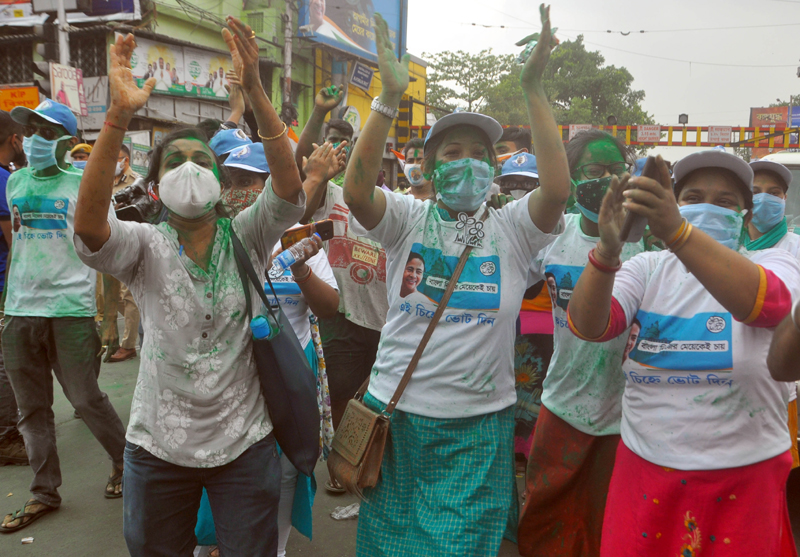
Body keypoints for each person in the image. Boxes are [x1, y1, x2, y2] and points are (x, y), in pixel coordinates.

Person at [341, 10, 569, 556]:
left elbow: (558, 190)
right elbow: (355, 191)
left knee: (462, 546)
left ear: (495, 167)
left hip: (478, 425)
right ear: (429, 168)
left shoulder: (512, 229)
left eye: (478, 155)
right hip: (396, 418)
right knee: (393, 547)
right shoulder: (407, 219)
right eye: (452, 154)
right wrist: (387, 99)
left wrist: (533, 87)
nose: (467, 164)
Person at [72, 21, 305, 555]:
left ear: (221, 183)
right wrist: (117, 116)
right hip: (157, 445)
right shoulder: (143, 245)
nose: (190, 168)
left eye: (202, 159)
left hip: (245, 442)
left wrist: (256, 93)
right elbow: (89, 230)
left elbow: (289, 190)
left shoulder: (245, 233)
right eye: (174, 161)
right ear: (154, 187)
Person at [567, 149, 800, 556]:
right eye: (692, 198)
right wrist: (606, 253)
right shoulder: (648, 268)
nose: (707, 208)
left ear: (745, 220)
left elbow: (769, 305)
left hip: (744, 481)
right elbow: (591, 326)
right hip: (645, 472)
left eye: (725, 201)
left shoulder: (775, 261)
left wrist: (677, 231)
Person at [193, 141, 339, 557]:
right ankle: (212, 542)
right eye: (233, 181)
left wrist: (300, 266)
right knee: (222, 461)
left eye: (251, 182)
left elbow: (329, 308)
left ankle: (273, 546)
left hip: (289, 372)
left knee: (287, 466)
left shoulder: (300, 239)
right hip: (231, 373)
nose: (239, 190)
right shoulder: (213, 239)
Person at [0, 100, 127, 534]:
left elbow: (108, 253)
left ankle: (125, 462)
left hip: (71, 312)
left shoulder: (86, 184)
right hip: (20, 311)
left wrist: (108, 319)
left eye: (48, 132)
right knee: (31, 410)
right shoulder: (14, 182)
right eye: (32, 130)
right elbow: (18, 243)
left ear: (70, 143)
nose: (35, 139)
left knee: (86, 399)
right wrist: (6, 304)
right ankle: (43, 493)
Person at [517, 129, 643, 557]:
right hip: (561, 404)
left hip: (627, 419)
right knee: (544, 517)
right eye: (594, 170)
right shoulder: (551, 237)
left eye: (616, 169)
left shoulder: (650, 244)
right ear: (571, 181)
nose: (607, 179)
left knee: (607, 525)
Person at [296, 85, 387, 497]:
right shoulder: (325, 195)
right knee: (339, 399)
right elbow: (300, 174)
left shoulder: (390, 204)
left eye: (356, 149)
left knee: (380, 403)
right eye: (340, 148)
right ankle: (341, 463)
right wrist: (317, 112)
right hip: (342, 318)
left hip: (387, 322)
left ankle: (374, 467)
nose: (347, 154)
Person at [742, 158, 800, 467]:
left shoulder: (796, 249)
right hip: (728, 389)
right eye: (755, 191)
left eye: (774, 192)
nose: (764, 198)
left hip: (780, 391)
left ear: (784, 199)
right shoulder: (726, 247)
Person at [100, 144, 143, 363]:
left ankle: (128, 345)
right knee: (112, 294)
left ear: (125, 160)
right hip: (107, 241)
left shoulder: (136, 182)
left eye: (115, 159)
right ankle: (131, 330)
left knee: (128, 294)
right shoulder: (104, 180)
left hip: (128, 240)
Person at [0, 111, 26, 467]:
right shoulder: (5, 181)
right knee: (5, 364)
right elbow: (15, 243)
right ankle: (7, 436)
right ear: (15, 140)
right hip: (5, 285)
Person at [402, 137, 435, 201]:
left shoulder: (442, 203)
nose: (415, 165)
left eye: (420, 161)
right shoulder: (399, 202)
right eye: (410, 161)